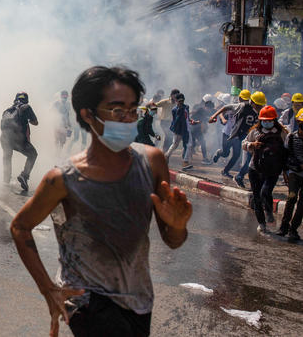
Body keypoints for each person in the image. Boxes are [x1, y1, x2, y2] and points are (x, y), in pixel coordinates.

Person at [10, 66, 191, 337]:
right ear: (88, 114)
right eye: (117, 111)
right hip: (87, 301)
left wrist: (177, 225)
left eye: (133, 110)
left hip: (139, 300)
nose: (128, 119)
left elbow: (173, 240)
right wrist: (48, 289)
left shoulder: (152, 162)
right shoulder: (62, 179)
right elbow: (20, 227)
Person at [242, 105, 288, 232]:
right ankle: (262, 224)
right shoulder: (255, 131)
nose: (267, 122)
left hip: (273, 170)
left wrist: (286, 169)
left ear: (274, 120)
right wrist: (252, 144)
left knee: (265, 192)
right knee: (257, 197)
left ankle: (269, 212)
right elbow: (244, 144)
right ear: (260, 120)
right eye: (264, 120)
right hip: (255, 168)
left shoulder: (282, 133)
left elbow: (287, 149)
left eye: (270, 120)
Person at [209, 89, 263, 186]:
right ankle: (219, 153)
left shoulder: (260, 111)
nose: (260, 107)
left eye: (261, 105)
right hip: (232, 134)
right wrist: (214, 116)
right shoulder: (242, 106)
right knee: (226, 153)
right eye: (258, 105)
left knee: (239, 155)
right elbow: (225, 108)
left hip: (245, 137)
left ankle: (228, 172)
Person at [0, 92, 38, 191]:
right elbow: (35, 122)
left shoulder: (8, 110)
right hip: (17, 139)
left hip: (4, 138)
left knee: (7, 156)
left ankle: (6, 180)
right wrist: (28, 119)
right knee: (33, 154)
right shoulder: (26, 107)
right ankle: (24, 176)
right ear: (26, 99)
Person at [278, 108, 303, 242]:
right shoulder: (291, 137)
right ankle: (283, 227)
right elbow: (286, 156)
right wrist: (285, 172)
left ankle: (293, 229)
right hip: (294, 173)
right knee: (291, 198)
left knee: (302, 205)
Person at [164, 93, 197, 170]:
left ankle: (185, 162)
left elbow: (187, 118)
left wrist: (192, 121)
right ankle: (167, 156)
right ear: (176, 101)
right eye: (179, 101)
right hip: (178, 130)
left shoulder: (186, 107)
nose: (181, 103)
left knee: (189, 145)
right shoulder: (175, 110)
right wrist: (180, 110)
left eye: (182, 101)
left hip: (186, 129)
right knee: (175, 145)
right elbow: (176, 121)